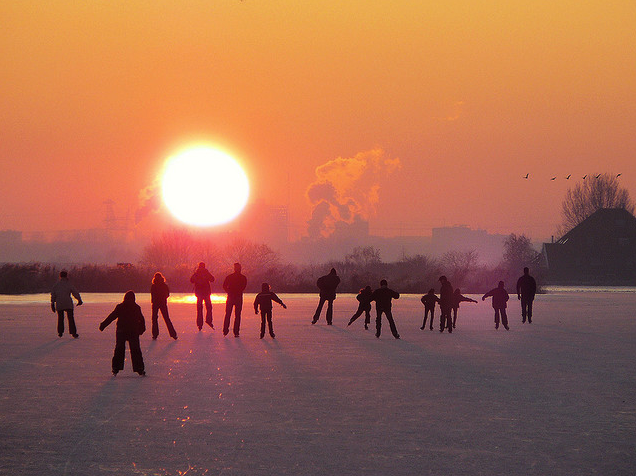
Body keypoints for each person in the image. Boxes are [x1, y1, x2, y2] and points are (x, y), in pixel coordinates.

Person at [99, 291, 146, 376]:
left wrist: (103, 325)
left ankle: (115, 368)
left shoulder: (120, 307)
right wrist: (141, 330)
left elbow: (112, 316)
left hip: (122, 331)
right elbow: (142, 320)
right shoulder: (136, 307)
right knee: (135, 350)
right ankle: (139, 368)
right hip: (133, 332)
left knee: (119, 349)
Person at [50, 270, 83, 338]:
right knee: (70, 318)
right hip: (68, 303)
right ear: (66, 276)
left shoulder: (56, 285)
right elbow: (75, 292)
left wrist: (52, 303)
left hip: (59, 303)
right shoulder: (69, 284)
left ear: (60, 276)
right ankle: (73, 333)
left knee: (60, 318)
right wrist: (79, 300)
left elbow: (53, 294)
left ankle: (60, 332)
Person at [223, 262, 247, 337]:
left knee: (228, 314)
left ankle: (225, 330)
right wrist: (238, 291)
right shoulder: (243, 277)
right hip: (238, 297)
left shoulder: (229, 277)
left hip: (231, 297)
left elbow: (224, 285)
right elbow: (243, 287)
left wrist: (229, 292)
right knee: (237, 315)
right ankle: (236, 332)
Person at [150, 272, 177, 340]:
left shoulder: (154, 286)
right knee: (166, 318)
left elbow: (152, 295)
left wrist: (155, 300)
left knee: (154, 319)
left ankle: (155, 334)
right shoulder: (164, 285)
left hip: (156, 303)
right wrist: (163, 298)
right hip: (162, 303)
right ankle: (173, 334)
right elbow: (167, 294)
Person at [190, 262, 215, 331]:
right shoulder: (206, 272)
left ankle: (199, 325)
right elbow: (212, 279)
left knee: (199, 309)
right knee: (209, 308)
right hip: (206, 293)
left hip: (199, 294)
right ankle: (209, 320)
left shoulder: (196, 273)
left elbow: (191, 280)